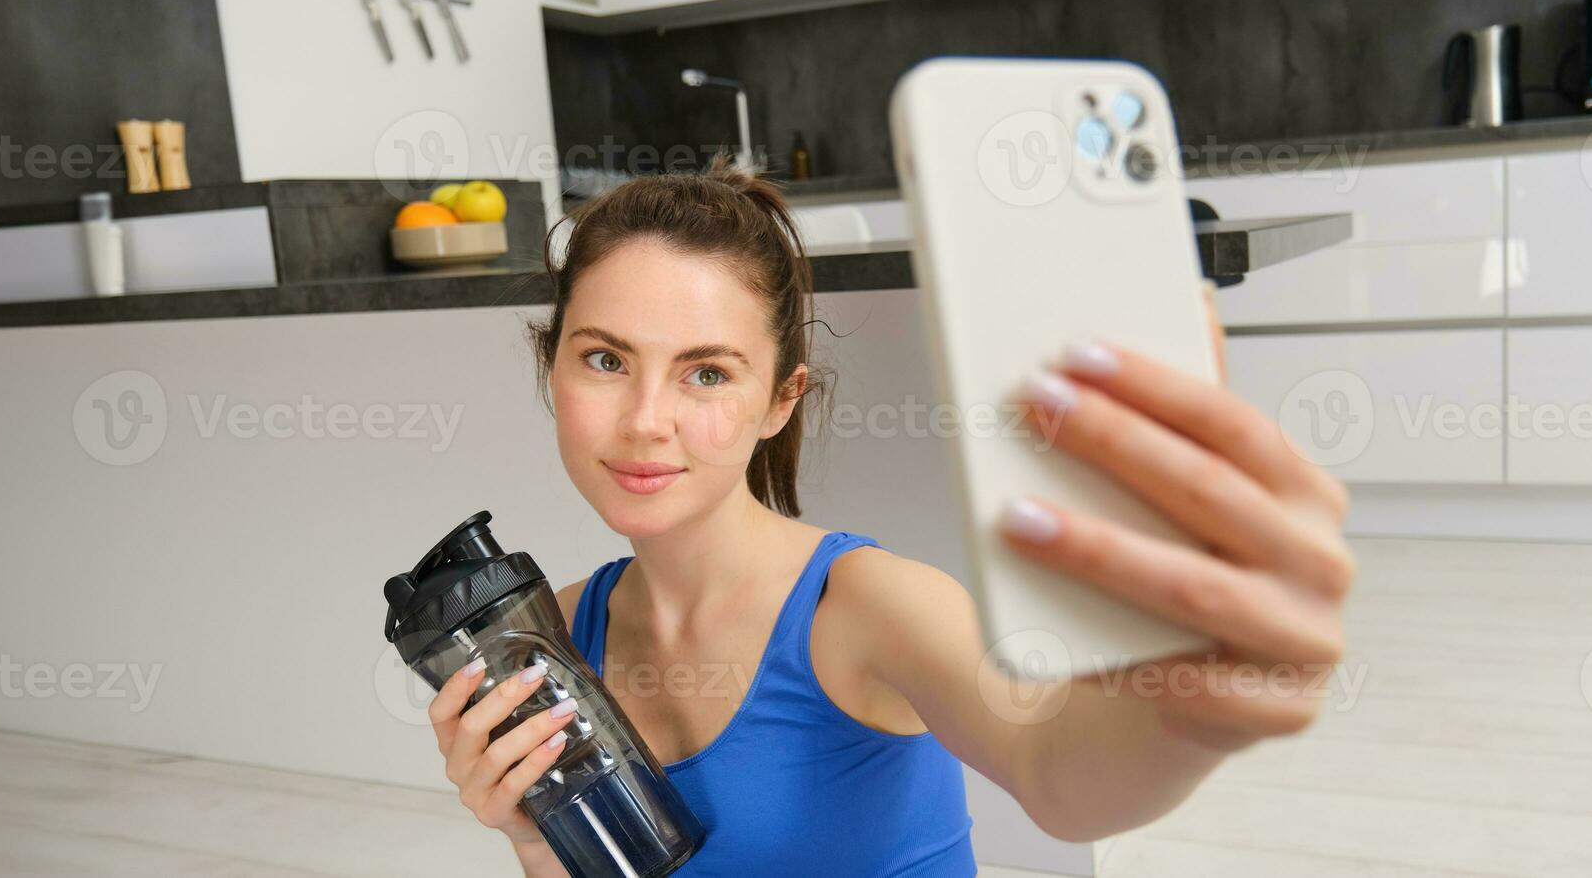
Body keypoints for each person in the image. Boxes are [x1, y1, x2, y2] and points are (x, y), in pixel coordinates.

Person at [423, 166, 1355, 876]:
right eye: (605, 360)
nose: (645, 420)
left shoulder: (870, 608)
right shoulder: (557, 634)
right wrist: (538, 839)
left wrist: (1182, 705)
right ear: (553, 367)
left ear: (781, 400)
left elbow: (1058, 770)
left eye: (707, 372)